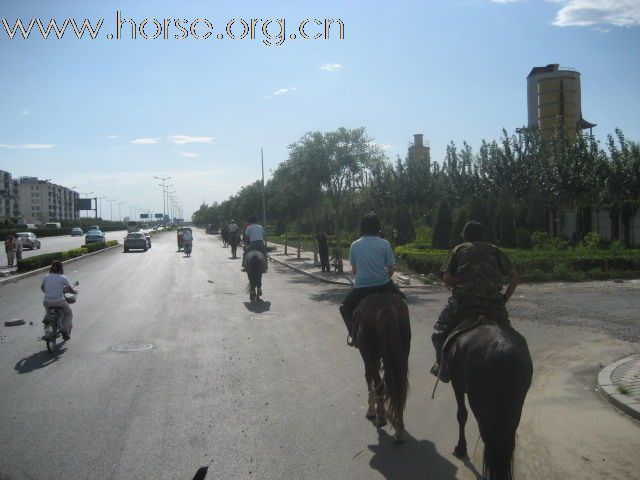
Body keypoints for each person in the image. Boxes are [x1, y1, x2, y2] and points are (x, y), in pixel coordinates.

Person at [431, 220, 519, 382]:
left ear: (464, 235)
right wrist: (505, 298)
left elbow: (447, 277)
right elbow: (514, 275)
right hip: (493, 304)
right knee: (508, 333)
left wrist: (462, 283)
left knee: (438, 333)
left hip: (464, 301)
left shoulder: (459, 249)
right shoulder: (495, 250)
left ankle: (442, 367)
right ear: (482, 236)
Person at [339, 212, 405, 347]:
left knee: (344, 308)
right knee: (402, 301)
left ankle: (353, 335)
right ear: (378, 228)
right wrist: (382, 278)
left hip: (362, 288)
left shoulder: (354, 245)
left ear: (362, 228)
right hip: (384, 286)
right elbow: (391, 269)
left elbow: (355, 271)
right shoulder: (385, 244)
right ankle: (403, 333)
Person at [41, 260, 78, 340]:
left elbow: (42, 287)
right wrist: (74, 291)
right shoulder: (63, 278)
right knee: (69, 314)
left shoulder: (46, 276)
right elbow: (70, 289)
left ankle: (47, 332)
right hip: (59, 301)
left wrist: (47, 292)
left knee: (47, 314)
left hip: (47, 301)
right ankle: (64, 330)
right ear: (61, 268)